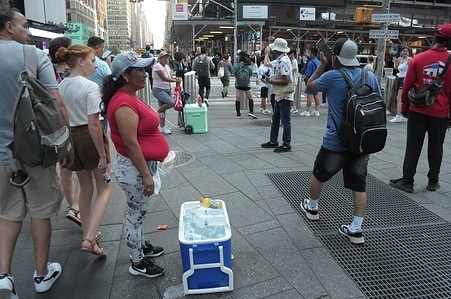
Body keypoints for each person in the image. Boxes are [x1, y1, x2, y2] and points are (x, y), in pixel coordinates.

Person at [0, 8, 69, 296]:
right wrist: (67, 141)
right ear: (9, 26)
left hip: (1, 156)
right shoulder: (34, 56)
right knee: (40, 210)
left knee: (7, 212)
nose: (29, 32)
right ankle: (41, 275)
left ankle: (4, 275)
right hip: (36, 150)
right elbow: (54, 103)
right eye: (25, 25)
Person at [303, 38, 382, 245]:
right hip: (362, 142)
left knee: (319, 175)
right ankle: (355, 229)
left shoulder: (331, 76)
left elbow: (310, 87)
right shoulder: (370, 76)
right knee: (359, 185)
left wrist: (322, 64)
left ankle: (312, 207)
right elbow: (378, 102)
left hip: (335, 142)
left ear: (335, 57)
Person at [101, 51, 168, 278]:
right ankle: (137, 261)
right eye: (139, 70)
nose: (145, 73)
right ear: (126, 76)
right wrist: (146, 176)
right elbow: (130, 143)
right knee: (135, 214)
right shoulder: (122, 102)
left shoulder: (129, 96)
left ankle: (140, 245)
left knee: (138, 212)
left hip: (138, 167)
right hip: (134, 170)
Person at [56, 44, 111, 256]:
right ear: (80, 62)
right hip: (89, 137)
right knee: (105, 188)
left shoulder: (62, 85)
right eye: (92, 60)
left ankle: (89, 239)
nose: (95, 65)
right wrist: (103, 155)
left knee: (86, 189)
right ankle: (90, 237)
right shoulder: (89, 87)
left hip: (71, 137)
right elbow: (94, 124)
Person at [389, 24, 451, 193]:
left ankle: (407, 181)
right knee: (436, 147)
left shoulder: (418, 58)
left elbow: (407, 85)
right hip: (440, 112)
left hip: (418, 110)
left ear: (436, 38)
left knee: (413, 146)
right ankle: (433, 181)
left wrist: (406, 107)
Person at [48, 36, 83, 227]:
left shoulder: (48, 71)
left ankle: (73, 207)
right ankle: (76, 207)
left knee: (65, 170)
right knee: (84, 169)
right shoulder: (70, 73)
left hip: (55, 126)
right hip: (72, 125)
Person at [260, 38, 294, 152]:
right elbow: (267, 63)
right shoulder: (281, 59)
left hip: (284, 94)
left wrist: (271, 81)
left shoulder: (283, 60)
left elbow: (285, 80)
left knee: (285, 120)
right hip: (280, 93)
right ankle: (273, 140)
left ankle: (286, 143)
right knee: (276, 118)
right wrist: (266, 54)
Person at [87, 36, 112, 132]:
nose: (103, 50)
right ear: (97, 48)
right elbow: (110, 81)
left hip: (84, 105)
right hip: (99, 104)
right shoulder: (102, 64)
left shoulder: (81, 62)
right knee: (100, 132)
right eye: (102, 48)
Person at [152, 51, 180, 135]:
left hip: (166, 89)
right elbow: (164, 78)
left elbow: (170, 77)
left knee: (163, 109)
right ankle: (156, 113)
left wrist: (176, 78)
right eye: (164, 58)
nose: (166, 59)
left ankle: (162, 126)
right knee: (171, 102)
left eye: (167, 58)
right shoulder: (157, 66)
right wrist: (175, 80)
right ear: (160, 59)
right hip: (158, 89)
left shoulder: (167, 67)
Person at [233, 51, 258, 119]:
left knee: (238, 99)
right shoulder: (249, 65)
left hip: (238, 83)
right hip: (247, 84)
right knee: (250, 97)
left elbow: (235, 74)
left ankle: (238, 114)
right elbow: (250, 74)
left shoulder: (236, 65)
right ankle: (251, 111)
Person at [389, 47, 412, 123]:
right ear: (401, 52)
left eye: (406, 51)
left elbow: (412, 70)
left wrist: (408, 79)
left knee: (399, 98)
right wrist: (395, 62)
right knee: (400, 97)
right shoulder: (400, 59)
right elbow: (396, 68)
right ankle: (402, 114)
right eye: (403, 51)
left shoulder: (409, 60)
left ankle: (398, 116)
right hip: (399, 79)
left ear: (408, 53)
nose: (405, 52)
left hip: (404, 80)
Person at [300, 48, 321, 117]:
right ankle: (316, 110)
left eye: (309, 53)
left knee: (309, 96)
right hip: (317, 81)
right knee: (316, 96)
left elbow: (308, 74)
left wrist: (307, 83)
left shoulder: (311, 63)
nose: (308, 54)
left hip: (311, 81)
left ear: (312, 54)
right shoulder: (318, 62)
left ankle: (307, 111)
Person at [288, 49, 299, 114]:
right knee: (289, 95)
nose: (289, 55)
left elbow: (292, 71)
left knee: (291, 95)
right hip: (291, 80)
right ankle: (292, 107)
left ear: (293, 54)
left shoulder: (294, 61)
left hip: (293, 81)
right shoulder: (291, 61)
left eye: (291, 53)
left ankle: (294, 108)